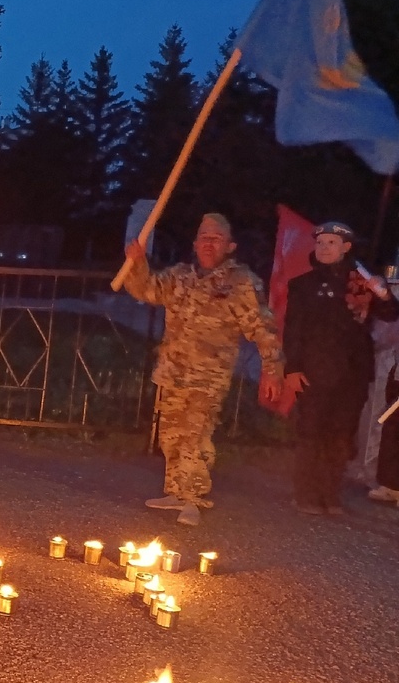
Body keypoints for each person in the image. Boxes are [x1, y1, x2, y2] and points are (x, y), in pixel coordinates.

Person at [122, 212, 284, 527]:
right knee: (171, 435)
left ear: (230, 245)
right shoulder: (180, 276)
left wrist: (272, 368)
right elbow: (147, 290)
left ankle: (193, 498)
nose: (209, 243)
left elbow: (262, 326)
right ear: (195, 243)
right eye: (204, 237)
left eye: (216, 238)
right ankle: (175, 492)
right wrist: (137, 262)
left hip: (208, 375)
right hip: (173, 370)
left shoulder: (240, 282)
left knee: (195, 437)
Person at [281, 222, 397, 514]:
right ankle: (305, 494)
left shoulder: (362, 284)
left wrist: (382, 293)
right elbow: (293, 330)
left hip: (352, 375)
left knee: (341, 435)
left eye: (331, 243)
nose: (323, 248)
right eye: (320, 243)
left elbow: (391, 313)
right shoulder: (303, 284)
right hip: (314, 372)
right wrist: (291, 369)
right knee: (311, 433)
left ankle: (331, 495)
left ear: (346, 247)